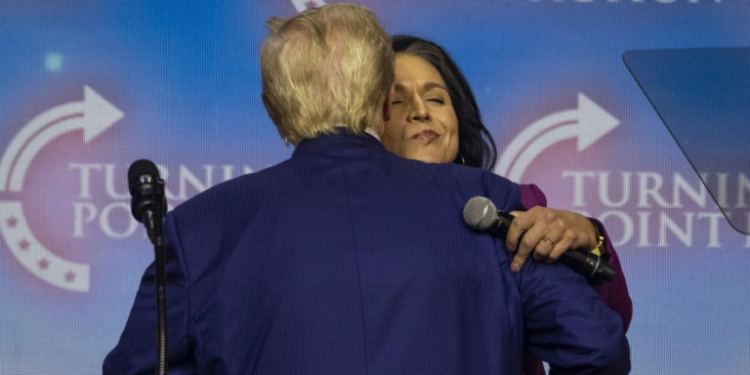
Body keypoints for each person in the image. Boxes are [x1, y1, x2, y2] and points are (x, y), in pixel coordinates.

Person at [103, 4, 629, 374]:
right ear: (381, 100)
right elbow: (597, 351)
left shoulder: (197, 230)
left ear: (273, 110)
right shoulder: (485, 202)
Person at [380, 34, 633, 375]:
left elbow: (600, 339)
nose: (421, 112)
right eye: (397, 102)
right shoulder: (347, 224)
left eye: (436, 99)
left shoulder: (512, 212)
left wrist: (592, 238)